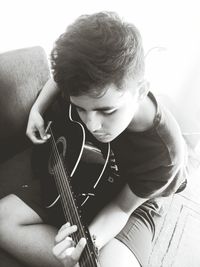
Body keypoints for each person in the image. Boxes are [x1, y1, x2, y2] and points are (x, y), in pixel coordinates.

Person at [0, 11, 188, 267]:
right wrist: (37, 110)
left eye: (107, 111)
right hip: (82, 172)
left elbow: (122, 209)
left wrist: (87, 243)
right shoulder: (87, 86)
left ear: (140, 90)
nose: (91, 124)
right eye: (80, 108)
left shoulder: (165, 154)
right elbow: (61, 80)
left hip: (130, 199)